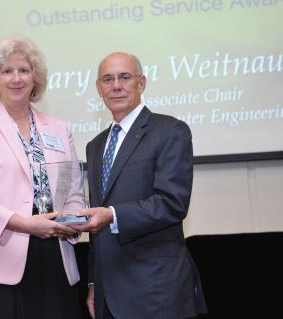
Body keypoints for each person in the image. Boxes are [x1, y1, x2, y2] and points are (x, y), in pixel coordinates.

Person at [0, 35, 82, 319]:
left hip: (52, 261)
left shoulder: (58, 128)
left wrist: (70, 223)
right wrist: (25, 224)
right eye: (6, 71)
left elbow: (73, 194)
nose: (16, 79)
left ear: (36, 78)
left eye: (24, 70)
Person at [71, 52, 208, 318]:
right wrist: (93, 283)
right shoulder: (96, 146)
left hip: (156, 290)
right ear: (99, 88)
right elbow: (96, 221)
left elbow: (172, 203)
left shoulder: (170, 131)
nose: (116, 86)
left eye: (125, 77)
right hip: (107, 293)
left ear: (141, 83)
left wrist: (112, 215)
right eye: (108, 79)